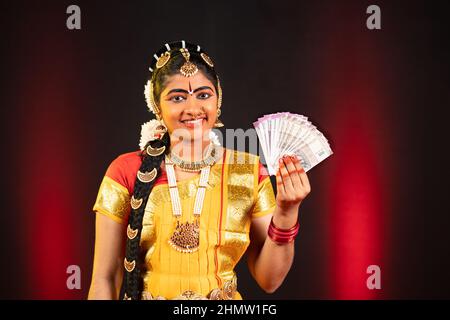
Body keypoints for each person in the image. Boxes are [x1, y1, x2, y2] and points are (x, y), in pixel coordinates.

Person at [87, 41, 311, 300]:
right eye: (177, 98)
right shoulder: (126, 171)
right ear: (157, 107)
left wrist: (286, 212)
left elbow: (269, 280)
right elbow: (105, 278)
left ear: (219, 100)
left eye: (204, 95)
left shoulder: (248, 171)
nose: (193, 109)